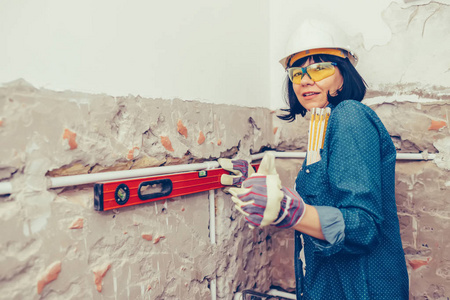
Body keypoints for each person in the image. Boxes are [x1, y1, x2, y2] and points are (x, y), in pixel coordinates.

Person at [219, 18, 409, 299]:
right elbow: (325, 202)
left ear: (344, 73)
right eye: (297, 73)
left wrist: (290, 211)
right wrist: (261, 188)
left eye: (320, 69)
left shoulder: (349, 116)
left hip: (362, 288)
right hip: (328, 285)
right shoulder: (323, 125)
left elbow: (363, 226)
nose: (306, 80)